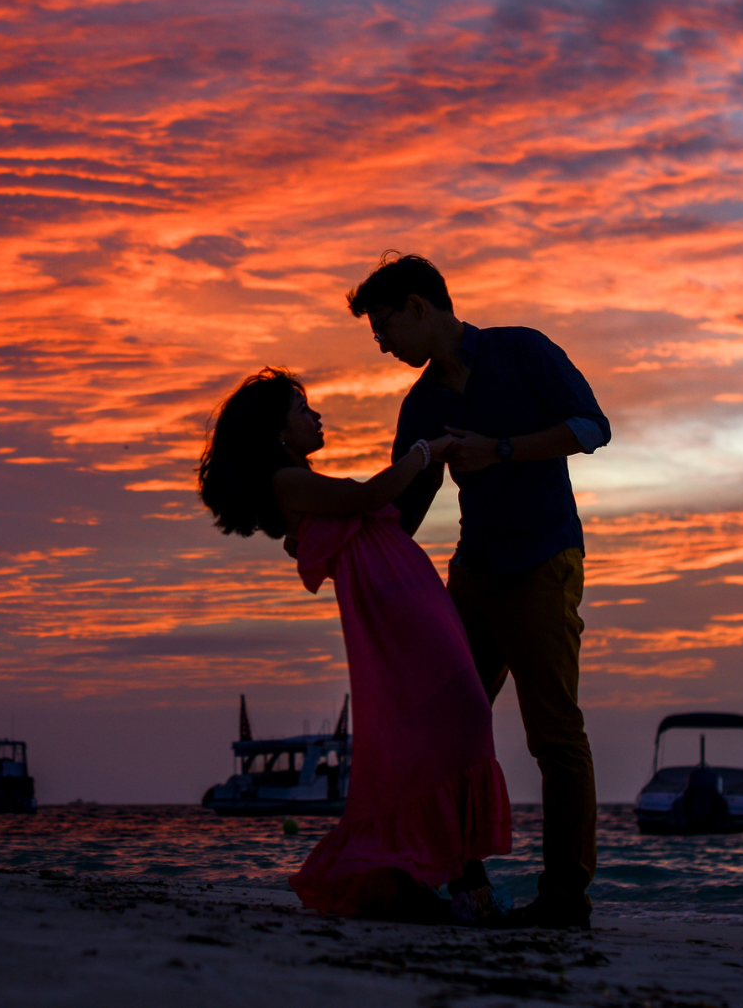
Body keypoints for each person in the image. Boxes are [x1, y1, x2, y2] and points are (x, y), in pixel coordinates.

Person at [347, 253, 611, 930]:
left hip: (544, 561)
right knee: (442, 725)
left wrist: (499, 449)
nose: (381, 344)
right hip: (471, 574)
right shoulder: (423, 403)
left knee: (554, 734)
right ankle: (460, 883)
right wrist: (347, 548)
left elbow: (591, 428)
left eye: (383, 327)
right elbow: (407, 505)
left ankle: (565, 898)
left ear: (418, 306)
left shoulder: (522, 351)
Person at [198, 367, 512, 923]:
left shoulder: (299, 482)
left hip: (407, 597)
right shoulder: (285, 481)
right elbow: (371, 495)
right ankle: (462, 882)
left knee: (453, 721)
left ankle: (432, 876)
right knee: (460, 717)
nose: (315, 416)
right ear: (277, 433)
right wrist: (426, 449)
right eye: (302, 410)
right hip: (396, 611)